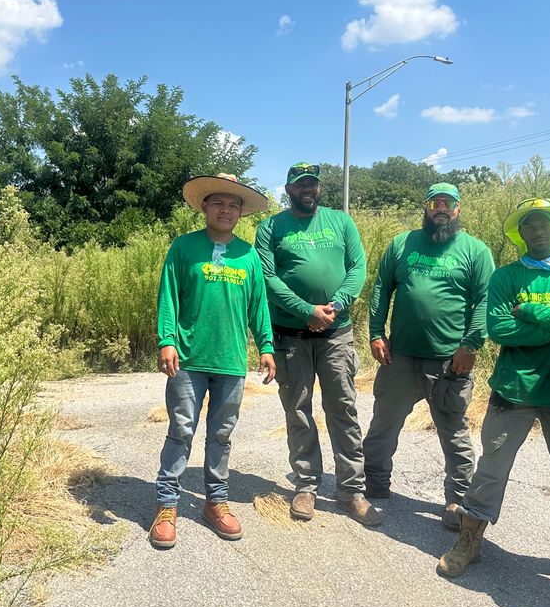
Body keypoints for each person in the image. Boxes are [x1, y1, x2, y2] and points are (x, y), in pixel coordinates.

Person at [437, 198, 550, 589]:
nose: (538, 230)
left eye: (545, 224)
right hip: (514, 388)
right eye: (529, 225)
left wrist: (530, 313)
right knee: (491, 469)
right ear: (520, 234)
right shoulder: (505, 277)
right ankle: (469, 540)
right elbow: (499, 330)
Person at [149, 174, 276, 549]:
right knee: (182, 431)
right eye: (218, 202)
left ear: (240, 212)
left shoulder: (248, 254)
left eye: (233, 205)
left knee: (221, 436)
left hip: (231, 361)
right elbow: (168, 295)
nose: (226, 209)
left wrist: (266, 346)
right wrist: (166, 340)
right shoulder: (184, 247)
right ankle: (167, 504)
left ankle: (216, 502)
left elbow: (259, 305)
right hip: (188, 358)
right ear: (204, 206)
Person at [255, 161, 381, 526]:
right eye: (300, 185)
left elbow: (357, 267)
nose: (307, 189)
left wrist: (335, 304)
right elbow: (267, 277)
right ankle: (307, 485)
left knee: (343, 408)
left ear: (319, 188)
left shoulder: (341, 222)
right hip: (291, 335)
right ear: (289, 189)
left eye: (313, 184)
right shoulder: (271, 227)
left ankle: (351, 491)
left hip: (336, 333)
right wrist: (304, 309)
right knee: (298, 408)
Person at [363, 183, 494, 530]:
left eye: (448, 204)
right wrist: (376, 333)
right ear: (425, 207)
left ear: (458, 209)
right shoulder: (402, 244)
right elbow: (382, 288)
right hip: (400, 357)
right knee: (383, 423)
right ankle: (374, 482)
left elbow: (485, 300)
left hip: (450, 361)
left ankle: (458, 499)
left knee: (453, 431)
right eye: (435, 202)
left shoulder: (475, 251)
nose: (441, 209)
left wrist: (471, 345)